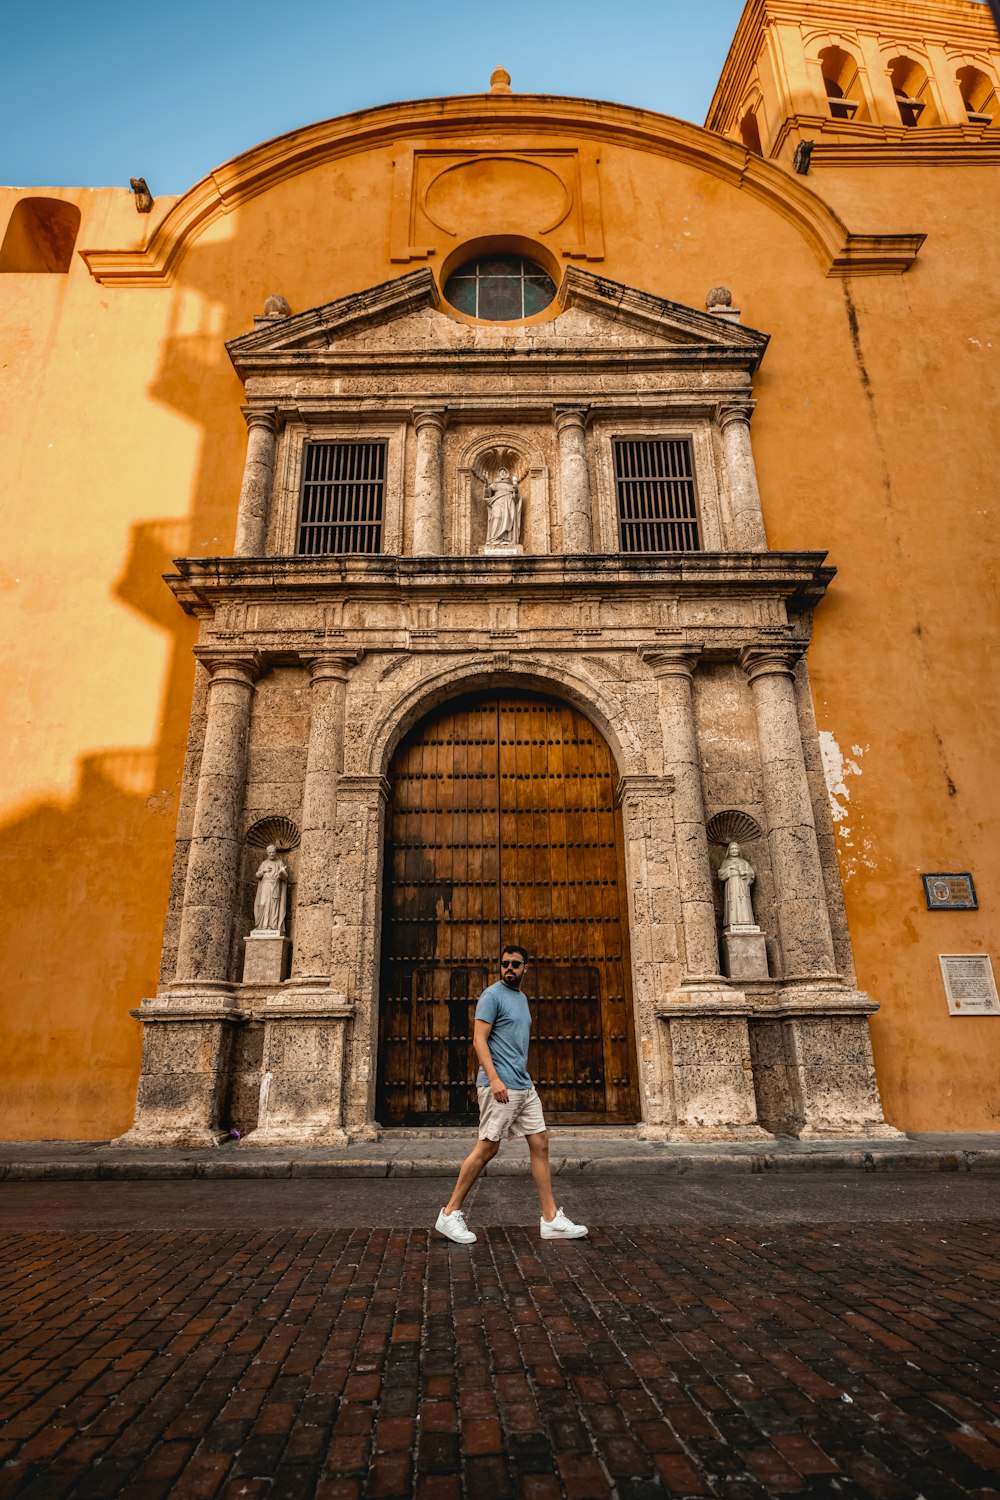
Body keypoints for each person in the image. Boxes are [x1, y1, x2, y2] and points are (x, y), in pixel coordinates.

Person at [435, 944, 588, 1245]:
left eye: (515, 965)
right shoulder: (491, 996)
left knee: (540, 1142)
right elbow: (479, 1040)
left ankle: (550, 1218)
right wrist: (494, 1080)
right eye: (505, 963)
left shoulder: (520, 998)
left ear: (525, 968)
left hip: (523, 1085)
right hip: (501, 1086)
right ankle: (450, 1213)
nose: (509, 969)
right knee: (487, 1149)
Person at [718, 841, 757, 930]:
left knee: (743, 903)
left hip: (742, 884)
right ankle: (733, 922)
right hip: (732, 884)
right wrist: (730, 869)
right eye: (732, 849)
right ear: (729, 851)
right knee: (733, 902)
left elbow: (751, 874)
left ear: (739, 850)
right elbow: (720, 874)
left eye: (736, 849)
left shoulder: (744, 862)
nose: (734, 851)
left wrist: (745, 873)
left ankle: (747, 921)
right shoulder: (726, 862)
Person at [253, 845, 289, 933]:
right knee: (263, 904)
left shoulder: (279, 862)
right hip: (265, 886)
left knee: (274, 904)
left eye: (273, 852)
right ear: (267, 853)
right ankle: (262, 925)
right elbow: (257, 875)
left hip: (275, 885)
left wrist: (280, 874)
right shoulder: (264, 863)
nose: (272, 854)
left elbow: (286, 876)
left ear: (275, 852)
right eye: (270, 852)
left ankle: (273, 925)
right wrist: (264, 871)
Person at [484, 467, 522, 547]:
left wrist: (516, 489)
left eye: (504, 472)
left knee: (509, 519)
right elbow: (487, 494)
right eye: (500, 472)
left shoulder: (511, 486)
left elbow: (516, 499)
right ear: (498, 474)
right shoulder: (494, 485)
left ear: (507, 475)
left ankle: (507, 539)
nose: (502, 473)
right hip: (497, 502)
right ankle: (494, 539)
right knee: (496, 517)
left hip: (509, 504)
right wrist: (486, 481)